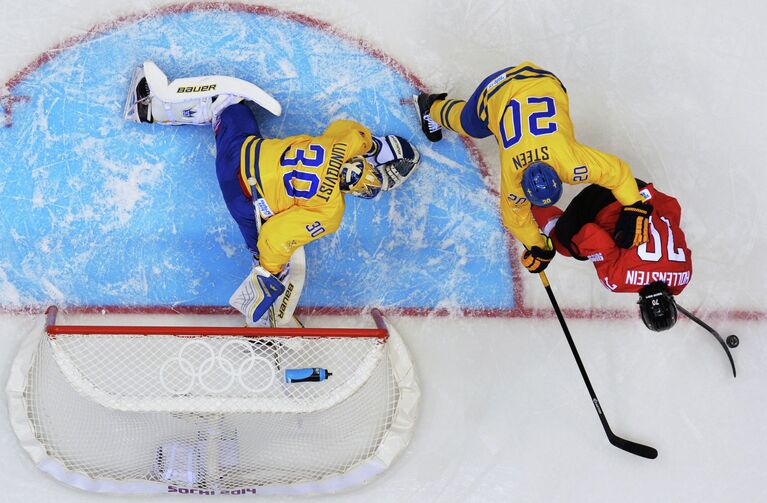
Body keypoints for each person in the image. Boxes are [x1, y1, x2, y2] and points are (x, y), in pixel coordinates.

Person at [125, 61, 421, 326]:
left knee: (231, 109)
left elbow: (350, 130)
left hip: (239, 154)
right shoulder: (330, 213)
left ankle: (151, 106)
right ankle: (266, 281)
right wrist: (269, 271)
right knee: (264, 246)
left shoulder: (340, 145)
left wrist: (375, 148)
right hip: (242, 201)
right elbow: (277, 236)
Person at [415, 62, 652, 275]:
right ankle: (430, 106)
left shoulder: (560, 165)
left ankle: (438, 109)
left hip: (536, 85)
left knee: (482, 125)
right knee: (471, 125)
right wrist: (633, 206)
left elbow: (517, 219)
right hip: (526, 83)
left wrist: (540, 247)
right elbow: (617, 172)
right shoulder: (563, 165)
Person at [530, 180, 692, 331]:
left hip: (642, 191)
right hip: (607, 197)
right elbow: (591, 234)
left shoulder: (684, 277)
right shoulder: (617, 280)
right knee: (566, 245)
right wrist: (582, 251)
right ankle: (531, 201)